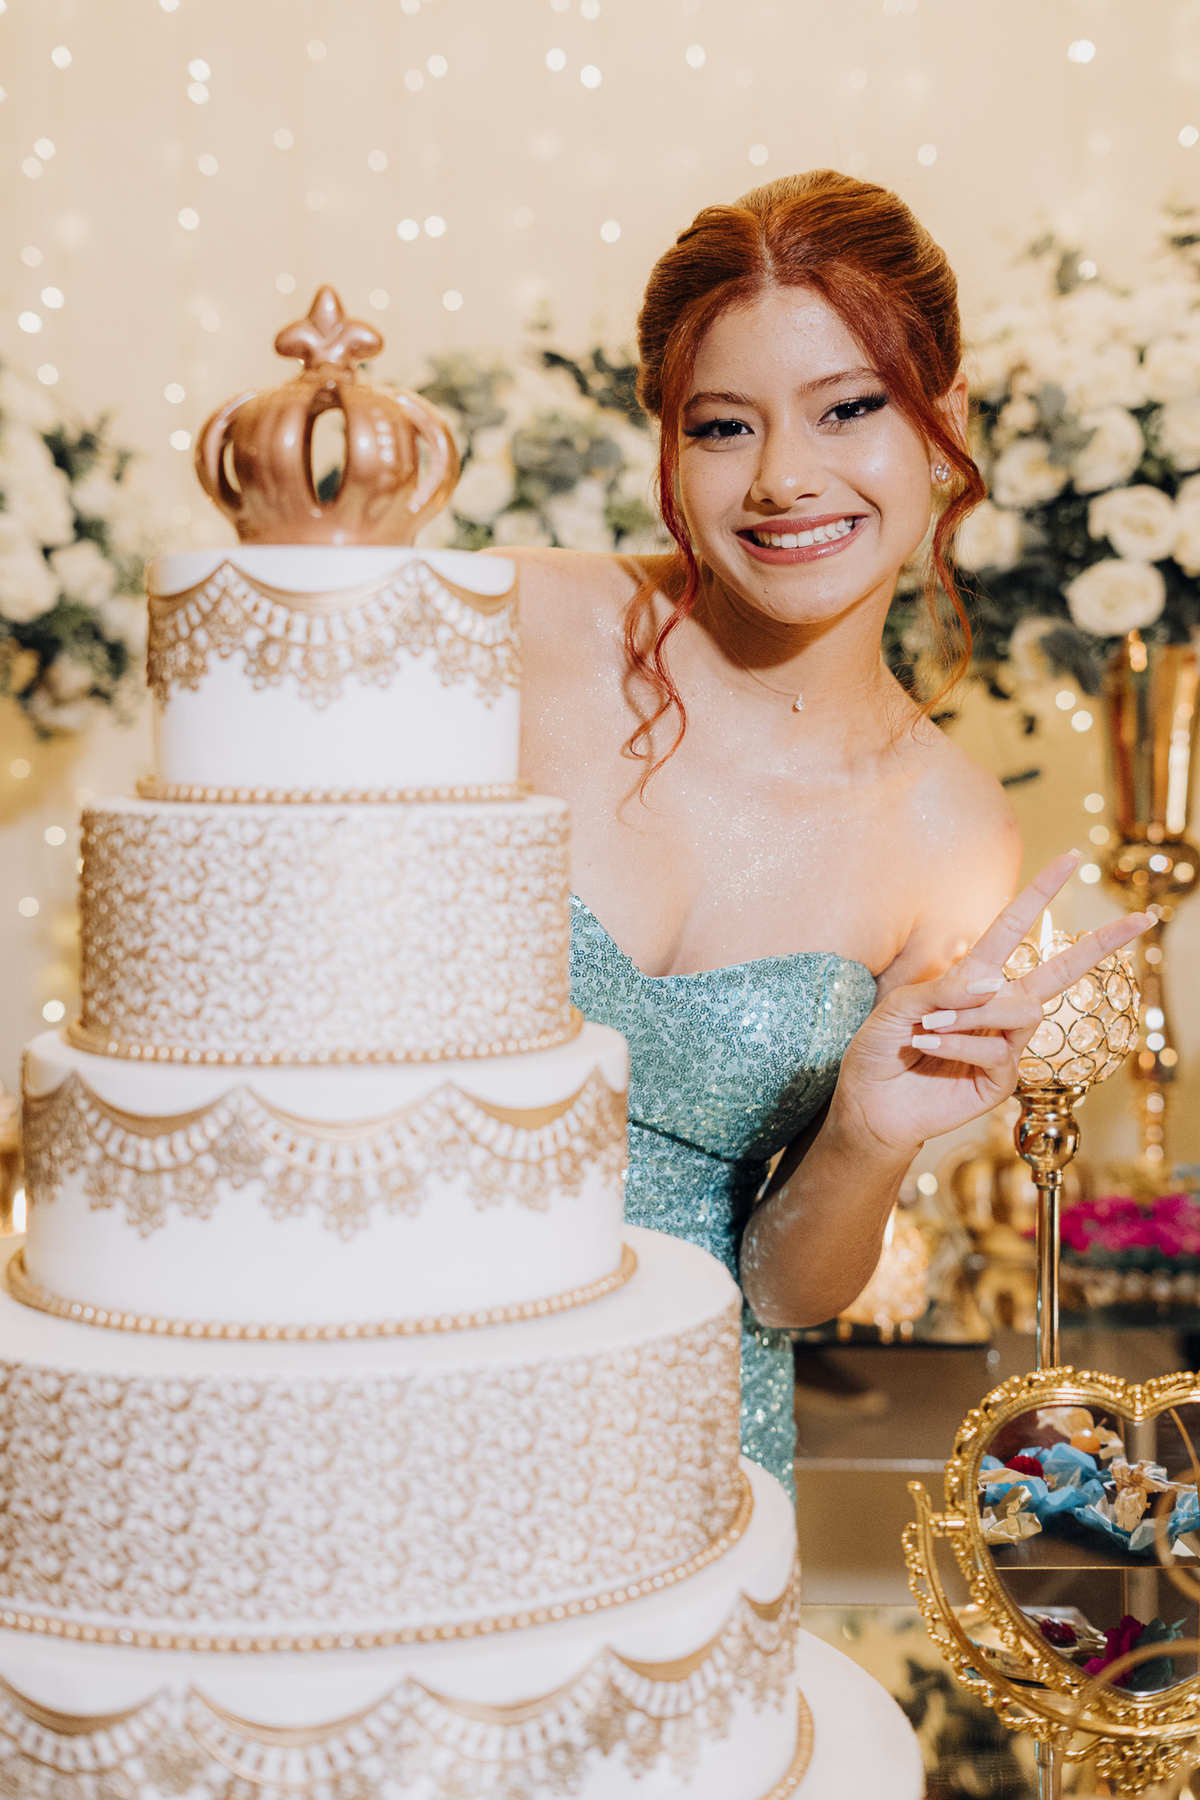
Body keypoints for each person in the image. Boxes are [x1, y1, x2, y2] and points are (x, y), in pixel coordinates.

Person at [495, 170, 1150, 1494]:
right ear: (667, 444)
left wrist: (866, 1132)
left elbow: (789, 1290)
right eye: (722, 426)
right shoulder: (513, 629)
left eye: (849, 408)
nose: (785, 478)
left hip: (677, 1447)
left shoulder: (954, 830)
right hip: (379, 1371)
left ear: (944, 422)